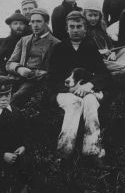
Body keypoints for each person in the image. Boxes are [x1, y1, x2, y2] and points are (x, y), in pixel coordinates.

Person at [47, 11, 111, 160]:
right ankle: (64, 152)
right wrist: (69, 89)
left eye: (79, 26)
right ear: (66, 29)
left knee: (90, 102)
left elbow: (104, 75)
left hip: (87, 91)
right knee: (75, 103)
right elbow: (50, 79)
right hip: (64, 93)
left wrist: (90, 85)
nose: (75, 30)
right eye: (72, 26)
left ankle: (92, 150)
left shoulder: (90, 47)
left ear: (85, 29)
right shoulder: (59, 49)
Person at [6, 8, 60, 106]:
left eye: (39, 21)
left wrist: (35, 73)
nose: (35, 25)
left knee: (15, 98)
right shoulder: (24, 40)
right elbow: (9, 64)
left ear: (46, 22)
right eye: (33, 21)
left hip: (35, 82)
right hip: (17, 77)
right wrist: (19, 68)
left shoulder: (56, 44)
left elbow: (55, 71)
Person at [83, 0, 125, 75]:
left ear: (100, 16)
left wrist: (112, 52)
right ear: (85, 16)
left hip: (109, 58)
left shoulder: (101, 29)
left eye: (95, 15)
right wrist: (100, 52)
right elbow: (85, 50)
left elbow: (109, 43)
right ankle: (118, 70)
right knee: (123, 67)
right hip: (98, 60)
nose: (93, 18)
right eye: (90, 15)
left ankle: (118, 68)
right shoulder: (84, 30)